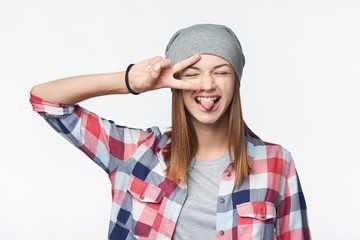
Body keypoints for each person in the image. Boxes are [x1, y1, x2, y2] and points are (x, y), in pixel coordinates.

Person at [30, 24, 311, 240]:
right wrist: (130, 81)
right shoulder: (136, 152)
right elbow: (46, 100)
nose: (207, 84)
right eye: (192, 74)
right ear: (175, 83)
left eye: (221, 71)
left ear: (236, 82)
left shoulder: (276, 162)